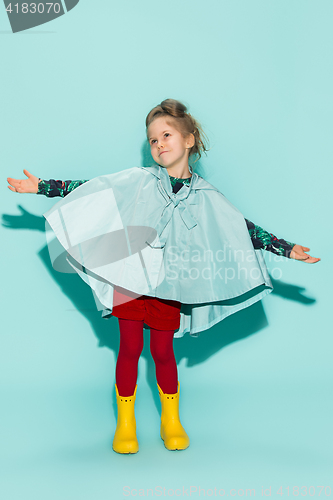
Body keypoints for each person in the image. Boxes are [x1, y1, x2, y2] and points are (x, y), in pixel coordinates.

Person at [7, 99, 320, 455]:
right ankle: (126, 425)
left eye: (166, 135)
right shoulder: (139, 180)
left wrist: (285, 248)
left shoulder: (208, 196)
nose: (159, 144)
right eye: (153, 140)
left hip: (171, 284)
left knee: (162, 351)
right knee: (128, 348)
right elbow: (94, 187)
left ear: (189, 139)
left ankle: (171, 420)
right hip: (130, 280)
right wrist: (42, 187)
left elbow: (240, 228)